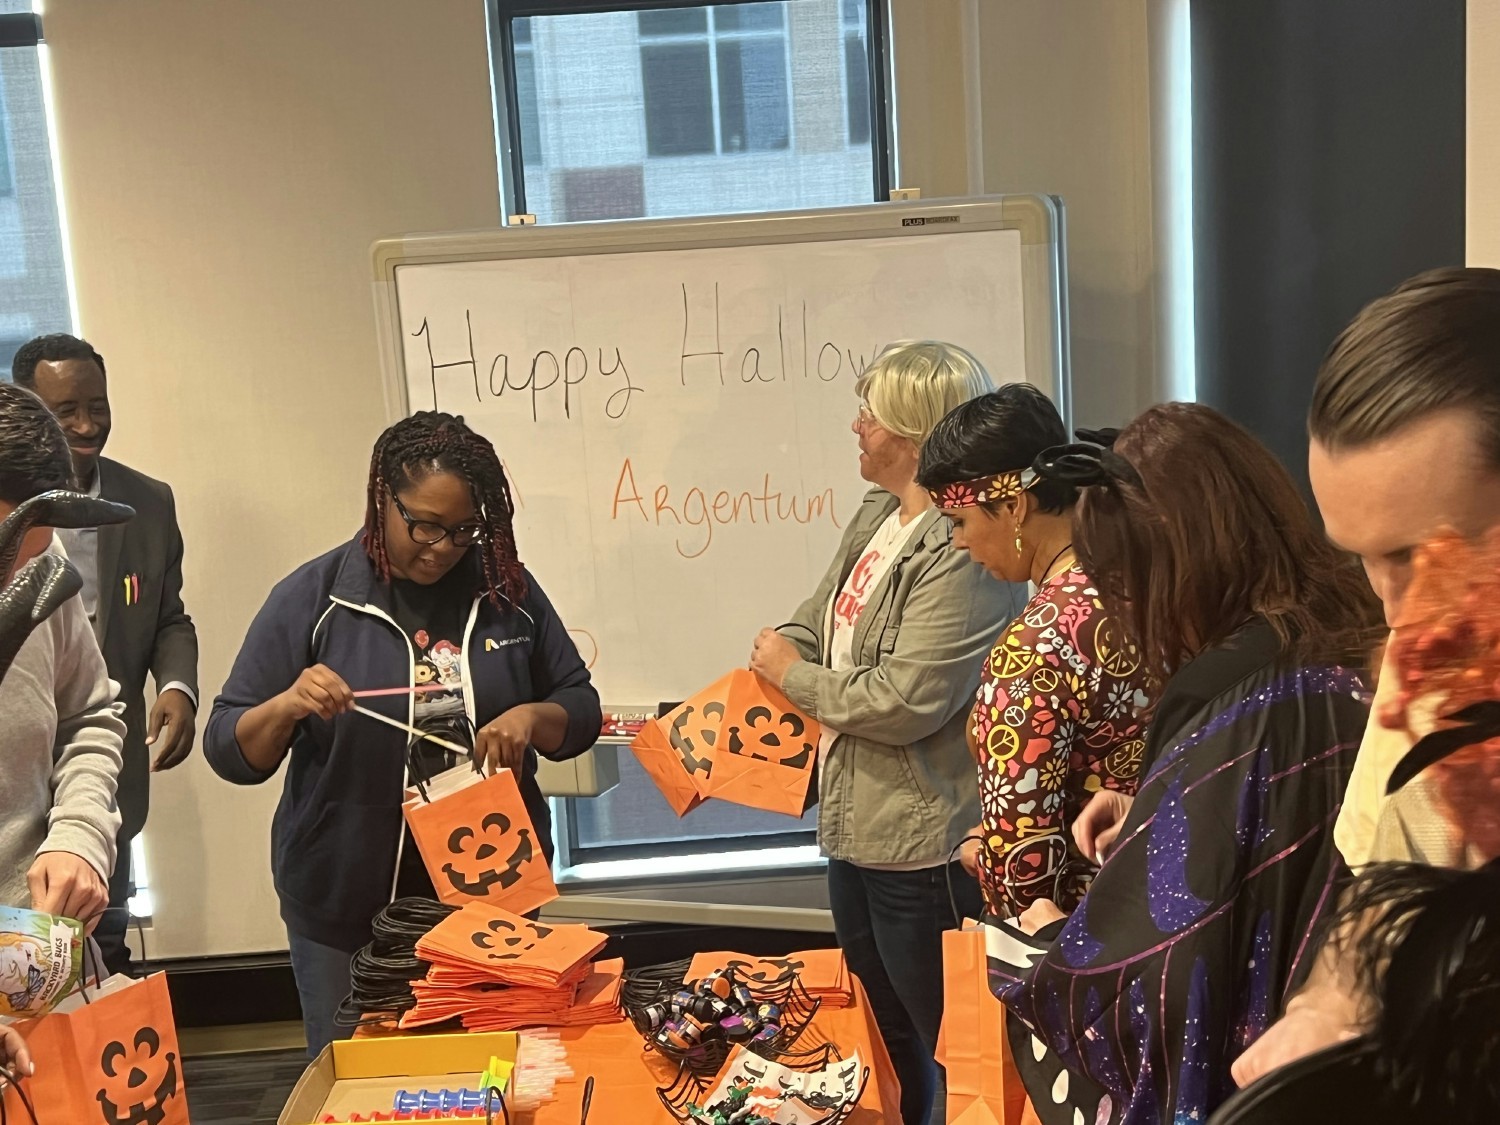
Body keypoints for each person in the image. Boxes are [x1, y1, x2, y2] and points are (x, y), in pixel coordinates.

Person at [990, 404, 1381, 1125]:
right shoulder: (1352, 635)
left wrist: (1044, 944)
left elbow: (1154, 991)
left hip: (1257, 1072)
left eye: (1124, 584)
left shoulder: (1219, 694)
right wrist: (1151, 803)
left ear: (1170, 565)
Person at [205, 410, 601, 1057]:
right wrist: (288, 703)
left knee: (495, 1073)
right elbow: (228, 746)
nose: (441, 547)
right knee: (360, 1077)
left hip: (490, 897)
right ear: (379, 499)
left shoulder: (507, 592)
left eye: (462, 530)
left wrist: (531, 718)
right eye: (422, 523)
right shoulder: (316, 596)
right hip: (344, 906)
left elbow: (580, 707)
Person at [1231, 267, 1500, 1087]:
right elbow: (1382, 890)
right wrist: (1323, 1014)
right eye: (1366, 562)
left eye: (1422, 558)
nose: (1396, 614)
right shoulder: (1441, 652)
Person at [747, 341, 1026, 1125]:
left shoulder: (958, 546)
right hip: (853, 821)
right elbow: (819, 611)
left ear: (909, 429)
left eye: (868, 413)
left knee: (948, 1037)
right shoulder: (878, 511)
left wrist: (788, 673)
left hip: (921, 839)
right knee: (881, 1020)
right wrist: (785, 644)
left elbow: (907, 698)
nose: (856, 427)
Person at [914, 387, 1159, 919]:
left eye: (959, 522)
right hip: (1163, 896)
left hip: (1078, 938)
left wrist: (990, 855)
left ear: (1014, 504)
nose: (959, 543)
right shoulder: (1147, 592)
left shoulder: (1033, 647)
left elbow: (1024, 863)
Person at [13, 334, 199, 976]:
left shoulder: (145, 502)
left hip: (97, 775)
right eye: (66, 411)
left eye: (98, 405)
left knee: (99, 954)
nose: (87, 425)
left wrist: (177, 687)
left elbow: (167, 616)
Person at [0, 383, 126, 931]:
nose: (9, 582)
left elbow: (87, 716)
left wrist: (79, 837)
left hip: (32, 935)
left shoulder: (42, 555)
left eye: (19, 566)